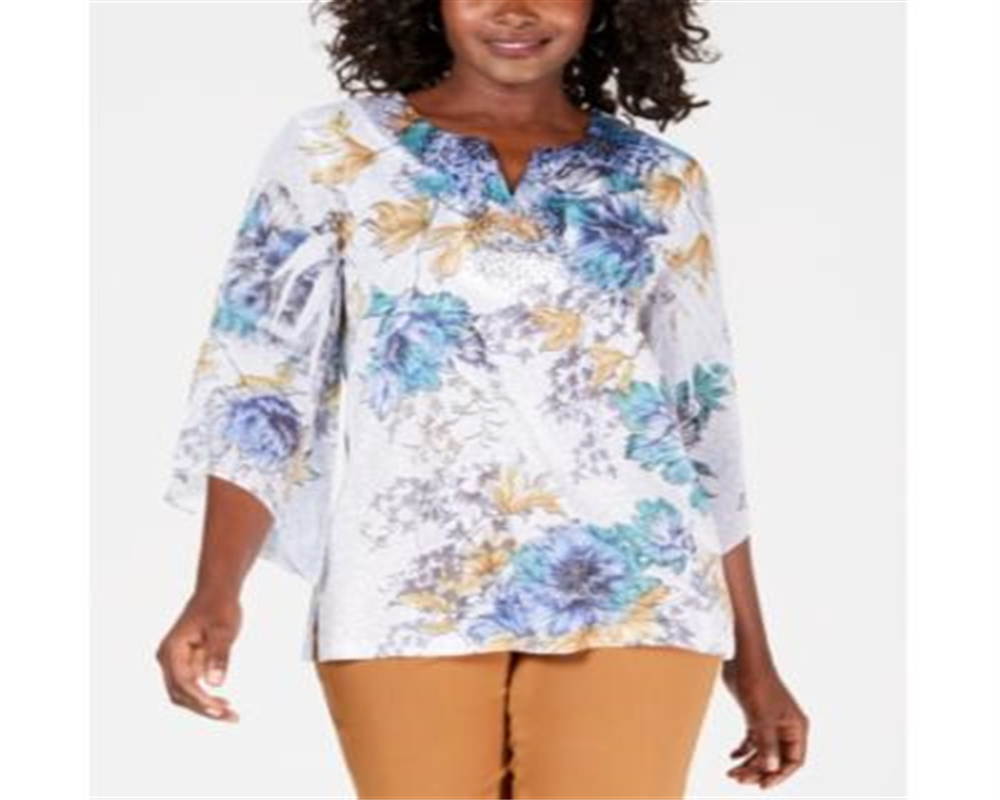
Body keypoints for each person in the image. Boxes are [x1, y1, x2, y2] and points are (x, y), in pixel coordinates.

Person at [156, 0, 810, 796]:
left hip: (641, 588)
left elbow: (702, 425)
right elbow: (260, 380)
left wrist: (754, 662)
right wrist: (216, 591)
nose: (514, 10)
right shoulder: (333, 153)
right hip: (405, 581)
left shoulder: (661, 180)